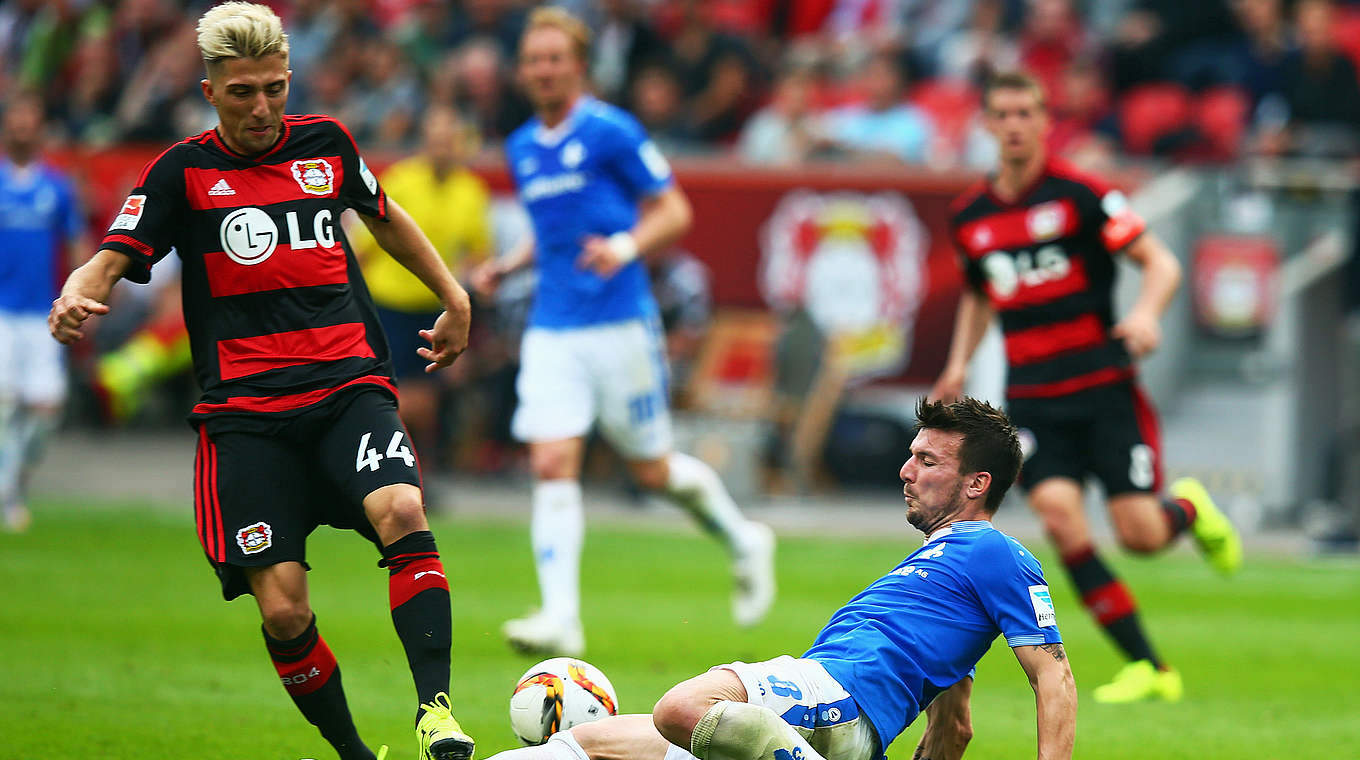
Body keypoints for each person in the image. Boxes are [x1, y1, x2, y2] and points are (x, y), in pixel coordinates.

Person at [48, 5, 474, 760]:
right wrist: (77, 291)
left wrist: (454, 295)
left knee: (404, 508)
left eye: (274, 88)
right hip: (245, 417)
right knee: (282, 610)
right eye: (243, 92)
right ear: (210, 89)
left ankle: (435, 712)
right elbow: (112, 255)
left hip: (347, 386)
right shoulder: (182, 171)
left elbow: (383, 216)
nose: (262, 107)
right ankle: (354, 754)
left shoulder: (328, 145)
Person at [484, 397, 1077, 760]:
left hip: (837, 693)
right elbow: (955, 726)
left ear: (977, 483)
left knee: (683, 707)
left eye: (927, 460)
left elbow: (1054, 679)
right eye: (912, 454)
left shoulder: (994, 552)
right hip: (817, 724)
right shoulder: (945, 578)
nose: (905, 469)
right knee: (597, 744)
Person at [471, 6, 775, 657]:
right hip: (553, 326)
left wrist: (624, 246)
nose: (544, 69)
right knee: (552, 461)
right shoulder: (523, 146)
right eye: (533, 59)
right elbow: (549, 231)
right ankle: (561, 617)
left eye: (555, 58)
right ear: (522, 70)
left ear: (580, 66)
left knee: (654, 469)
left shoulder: (611, 131)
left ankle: (744, 538)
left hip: (620, 324)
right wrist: (507, 265)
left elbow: (674, 210)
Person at [931, 71, 1243, 704]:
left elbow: (1161, 262)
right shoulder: (971, 216)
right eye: (1003, 113)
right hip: (1036, 398)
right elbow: (979, 293)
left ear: (1046, 121)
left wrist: (1147, 314)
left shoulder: (1081, 196)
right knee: (1060, 519)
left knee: (1138, 534)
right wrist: (957, 364)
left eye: (1027, 112)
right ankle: (1150, 668)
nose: (1015, 125)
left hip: (1104, 388)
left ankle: (1187, 510)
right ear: (988, 125)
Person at [350, 104, 492, 463]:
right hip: (389, 304)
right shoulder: (400, 180)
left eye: (449, 142)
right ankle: (396, 470)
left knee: (426, 400)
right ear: (425, 143)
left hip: (434, 309)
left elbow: (478, 252)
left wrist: (476, 288)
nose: (442, 149)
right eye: (436, 141)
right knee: (403, 397)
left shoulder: (471, 191)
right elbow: (364, 246)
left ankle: (410, 471)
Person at [0, 93, 88, 532]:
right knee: (3, 402)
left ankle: (14, 480)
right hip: (0, 312)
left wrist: (84, 293)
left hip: (41, 312)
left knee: (46, 409)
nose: (22, 128)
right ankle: (8, 496)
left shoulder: (57, 186)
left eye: (29, 120)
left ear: (39, 129)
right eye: (15, 120)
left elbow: (77, 244)